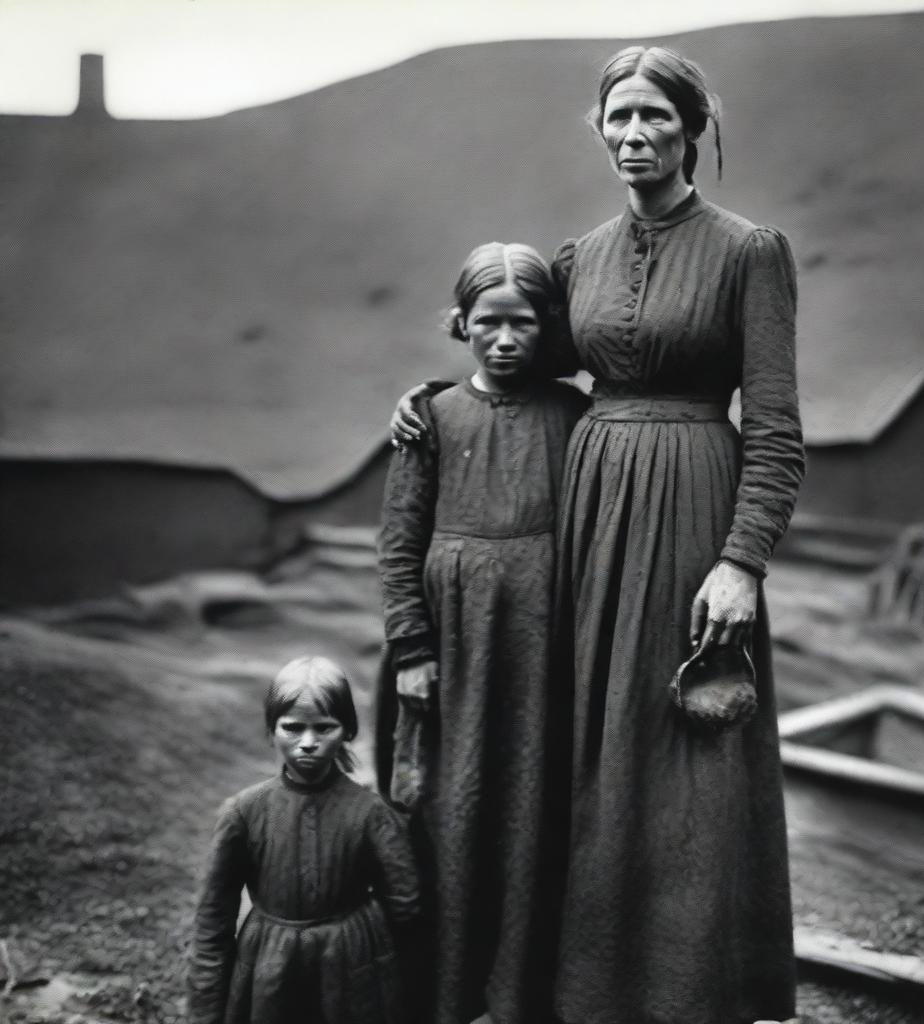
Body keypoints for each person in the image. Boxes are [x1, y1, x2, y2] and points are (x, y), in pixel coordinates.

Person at [389, 46, 804, 1024]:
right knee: (586, 743)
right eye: (616, 118)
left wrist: (740, 561)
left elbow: (777, 428)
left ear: (692, 129)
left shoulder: (749, 251)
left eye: (653, 117)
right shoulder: (580, 256)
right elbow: (520, 359)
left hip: (693, 506)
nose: (632, 136)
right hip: (589, 516)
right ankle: (588, 989)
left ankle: (688, 990)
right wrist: (428, 394)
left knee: (682, 746)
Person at [377, 242, 588, 1024]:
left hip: (540, 646)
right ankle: (445, 994)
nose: (504, 339)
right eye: (487, 322)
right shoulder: (431, 418)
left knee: (531, 809)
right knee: (449, 809)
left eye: (523, 323)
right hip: (452, 647)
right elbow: (399, 543)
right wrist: (411, 651)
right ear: (460, 323)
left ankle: (520, 996)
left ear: (547, 328)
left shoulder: (573, 416)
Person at [188, 656, 420, 1024]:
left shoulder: (371, 813)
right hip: (270, 969)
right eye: (293, 727)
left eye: (324, 727)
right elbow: (212, 921)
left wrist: (387, 969)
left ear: (347, 730)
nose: (308, 742)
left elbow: (406, 904)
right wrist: (205, 1012)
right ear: (272, 729)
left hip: (353, 969)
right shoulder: (244, 813)